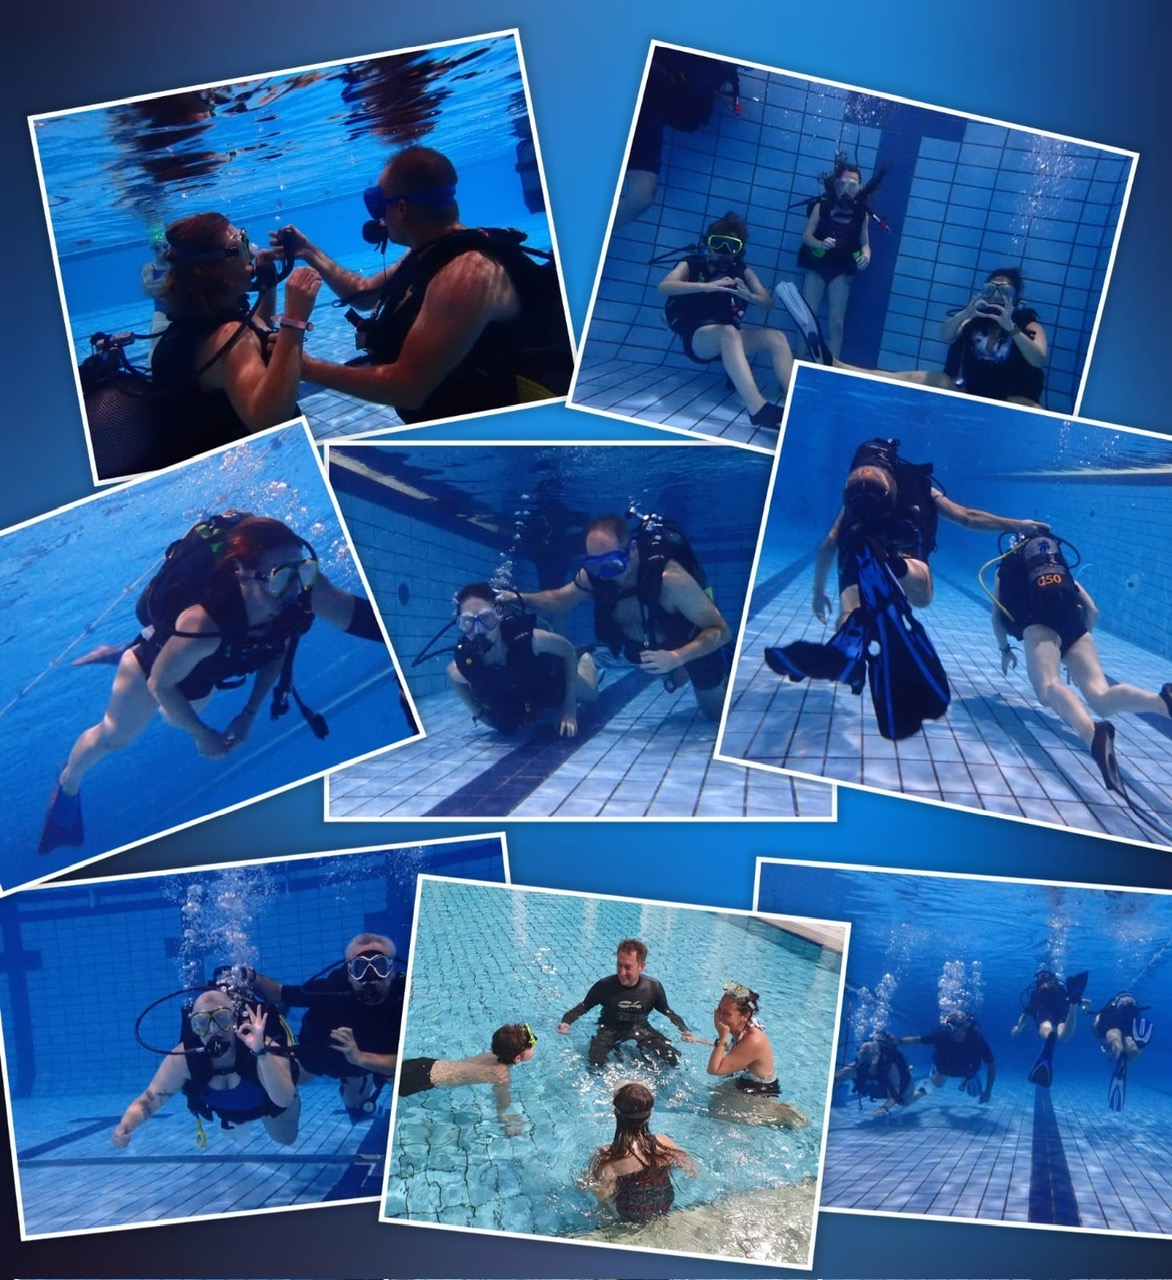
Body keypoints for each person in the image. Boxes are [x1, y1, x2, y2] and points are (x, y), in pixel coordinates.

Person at [39, 513, 386, 854]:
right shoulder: (204, 624)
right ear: (243, 575)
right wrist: (201, 734)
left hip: (204, 667)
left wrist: (249, 713)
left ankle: (134, 650)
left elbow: (278, 649)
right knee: (116, 738)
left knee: (174, 715)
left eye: (304, 571)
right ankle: (67, 782)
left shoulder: (297, 593)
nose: (295, 589)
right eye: (281, 576)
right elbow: (160, 683)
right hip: (152, 666)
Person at [764, 438, 1046, 740]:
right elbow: (967, 518)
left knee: (853, 605)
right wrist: (1019, 525)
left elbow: (829, 544)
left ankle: (848, 646)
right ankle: (898, 567)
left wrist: (818, 593)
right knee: (922, 594)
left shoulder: (854, 501)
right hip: (899, 544)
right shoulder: (917, 484)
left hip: (858, 538)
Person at [270, 145, 571, 424]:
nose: (379, 219)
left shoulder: (466, 275)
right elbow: (364, 295)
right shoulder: (431, 252)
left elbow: (408, 388)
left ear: (401, 208)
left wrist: (307, 367)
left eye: (380, 205)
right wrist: (308, 251)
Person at [990, 531, 1172, 794]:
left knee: (1048, 688)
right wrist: (1075, 647)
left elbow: (997, 617)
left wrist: (1005, 649)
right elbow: (1092, 610)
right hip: (1074, 627)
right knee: (1101, 695)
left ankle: (1093, 735)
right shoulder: (1056, 563)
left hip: (1038, 627)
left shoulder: (1006, 568)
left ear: (1014, 547)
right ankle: (1161, 702)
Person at [519, 513, 731, 721]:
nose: (604, 574)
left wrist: (677, 657)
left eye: (613, 564)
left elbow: (721, 630)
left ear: (633, 550)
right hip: (649, 650)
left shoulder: (670, 580)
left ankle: (723, 659)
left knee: (715, 713)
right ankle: (676, 671)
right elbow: (559, 600)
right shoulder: (595, 575)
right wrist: (517, 598)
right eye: (595, 565)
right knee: (671, 676)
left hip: (689, 644)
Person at [149, 212, 321, 457]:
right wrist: (295, 319)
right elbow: (269, 422)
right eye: (239, 246)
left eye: (245, 238)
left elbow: (255, 334)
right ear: (210, 270)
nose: (250, 250)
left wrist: (268, 285)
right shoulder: (228, 338)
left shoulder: (198, 320)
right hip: (253, 465)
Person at [112, 989, 299, 1148]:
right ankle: (237, 1121)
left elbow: (283, 1100)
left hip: (268, 1107)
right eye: (202, 1023)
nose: (213, 1030)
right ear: (194, 1027)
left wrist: (261, 1053)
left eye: (222, 1019)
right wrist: (126, 1124)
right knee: (238, 1122)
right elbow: (150, 1099)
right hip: (229, 1112)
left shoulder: (260, 1045)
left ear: (234, 1019)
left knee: (286, 1138)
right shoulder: (185, 1058)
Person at [658, 212, 794, 429]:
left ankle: (796, 403)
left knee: (776, 337)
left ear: (739, 250)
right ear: (708, 243)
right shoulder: (691, 264)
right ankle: (758, 409)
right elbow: (664, 286)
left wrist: (748, 296)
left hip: (729, 340)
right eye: (717, 243)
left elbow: (768, 303)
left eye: (731, 246)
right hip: (698, 339)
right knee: (728, 332)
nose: (723, 251)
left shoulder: (742, 272)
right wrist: (706, 286)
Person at [253, 932, 405, 1121]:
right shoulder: (330, 989)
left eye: (380, 966)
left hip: (372, 1059)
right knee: (288, 1081)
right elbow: (279, 993)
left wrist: (361, 1058)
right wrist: (251, 977)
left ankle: (359, 1086)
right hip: (324, 1056)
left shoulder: (405, 997)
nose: (370, 977)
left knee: (373, 1097)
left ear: (391, 971)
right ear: (349, 974)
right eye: (360, 968)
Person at [446, 583, 598, 737]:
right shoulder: (466, 664)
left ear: (498, 615)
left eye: (486, 618)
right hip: (525, 692)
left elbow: (568, 650)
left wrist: (569, 710)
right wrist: (480, 715)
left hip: (553, 679)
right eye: (468, 621)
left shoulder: (531, 639)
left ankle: (586, 659)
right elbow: (452, 674)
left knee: (592, 696)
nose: (478, 629)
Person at [616, 48, 739, 228]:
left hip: (649, 118)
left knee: (641, 199)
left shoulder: (721, 74)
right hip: (638, 99)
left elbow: (687, 114)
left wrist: (716, 93)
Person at [681, 982, 807, 1127]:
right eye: (719, 1009)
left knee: (716, 1115)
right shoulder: (744, 1029)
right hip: (745, 1083)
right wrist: (698, 1040)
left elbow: (714, 1070)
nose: (719, 1016)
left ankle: (781, 1114)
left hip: (759, 1093)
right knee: (711, 1099)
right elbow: (733, 1049)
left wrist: (722, 1036)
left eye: (726, 1013)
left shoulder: (754, 1040)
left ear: (745, 1016)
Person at [797, 158, 884, 359]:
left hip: (841, 270)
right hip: (817, 266)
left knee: (836, 323)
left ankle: (832, 369)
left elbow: (865, 243)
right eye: (842, 183)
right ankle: (797, 363)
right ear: (835, 185)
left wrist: (866, 256)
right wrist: (819, 244)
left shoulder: (861, 214)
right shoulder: (822, 206)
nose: (847, 189)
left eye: (852, 184)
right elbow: (807, 236)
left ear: (860, 188)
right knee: (807, 319)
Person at [558, 938, 690, 1067]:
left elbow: (666, 1011)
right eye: (619, 965)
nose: (621, 972)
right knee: (595, 1063)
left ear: (641, 966)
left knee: (673, 1058)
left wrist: (684, 1030)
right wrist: (566, 1022)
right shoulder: (604, 986)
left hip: (640, 1028)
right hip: (609, 1030)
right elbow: (584, 1006)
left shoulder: (653, 987)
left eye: (627, 967)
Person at [397, 1022, 537, 1135]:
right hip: (424, 1080)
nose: (535, 1042)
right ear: (517, 1058)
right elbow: (502, 1099)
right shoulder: (501, 1075)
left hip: (426, 1064)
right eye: (531, 1044)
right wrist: (503, 1115)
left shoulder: (492, 1055)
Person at [584, 1082, 695, 1222]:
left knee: (601, 1200)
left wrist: (585, 1182)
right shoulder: (663, 1143)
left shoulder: (609, 1155)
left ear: (615, 1113)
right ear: (650, 1114)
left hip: (630, 1214)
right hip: (664, 1205)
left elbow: (601, 1194)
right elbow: (691, 1169)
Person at [940, 268, 1047, 407]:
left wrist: (1012, 329)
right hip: (967, 389)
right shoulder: (974, 318)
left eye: (1005, 291)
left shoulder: (1028, 324)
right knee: (916, 379)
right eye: (990, 289)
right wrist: (965, 313)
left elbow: (1039, 360)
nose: (997, 295)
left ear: (1016, 297)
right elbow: (945, 335)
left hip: (1011, 397)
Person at [1010, 967, 1090, 1088]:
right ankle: (1073, 1006)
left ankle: (1049, 1037)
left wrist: (1018, 1028)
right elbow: (1087, 1003)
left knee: (1045, 1026)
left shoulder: (1036, 993)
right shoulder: (1060, 989)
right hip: (1061, 1005)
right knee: (1064, 1035)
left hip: (1043, 1007)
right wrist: (1083, 1004)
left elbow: (1025, 1015)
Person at [899, 1009, 996, 1103]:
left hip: (966, 1070)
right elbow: (917, 1040)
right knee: (937, 1084)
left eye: (953, 1027)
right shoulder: (942, 1035)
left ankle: (967, 1078)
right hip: (945, 1068)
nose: (949, 1030)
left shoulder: (977, 1041)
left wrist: (988, 1091)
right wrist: (897, 1042)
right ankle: (924, 1085)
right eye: (948, 1027)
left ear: (965, 1026)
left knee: (975, 1093)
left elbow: (991, 1066)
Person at [1092, 990, 1154, 1111]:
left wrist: (1099, 1035)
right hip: (1132, 1016)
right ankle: (1138, 1047)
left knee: (1114, 1037)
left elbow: (1096, 1026)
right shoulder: (1128, 1004)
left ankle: (1120, 1054)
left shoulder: (1110, 1007)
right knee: (1130, 1043)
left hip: (1112, 1017)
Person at [834, 1031, 922, 1113]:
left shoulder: (889, 1067)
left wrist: (884, 1108)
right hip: (881, 1090)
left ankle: (921, 1092)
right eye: (861, 1055)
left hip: (904, 1086)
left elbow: (894, 1095)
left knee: (905, 1102)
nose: (864, 1059)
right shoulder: (856, 1067)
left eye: (867, 1055)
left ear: (875, 1056)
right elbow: (839, 1076)